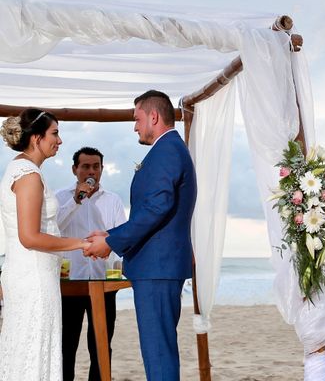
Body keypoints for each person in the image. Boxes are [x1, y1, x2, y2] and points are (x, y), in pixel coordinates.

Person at [85, 90, 197, 381]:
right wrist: (110, 233)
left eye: (137, 119)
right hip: (158, 267)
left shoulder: (167, 151)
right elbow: (153, 211)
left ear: (154, 116)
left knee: (158, 354)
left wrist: (110, 242)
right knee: (158, 350)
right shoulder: (170, 150)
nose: (134, 126)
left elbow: (158, 207)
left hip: (157, 268)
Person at [0, 109, 90, 380]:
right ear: (36, 138)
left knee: (28, 349)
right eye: (55, 133)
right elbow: (29, 237)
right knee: (35, 350)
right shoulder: (28, 175)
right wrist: (80, 243)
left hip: (29, 275)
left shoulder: (20, 168)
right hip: (34, 281)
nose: (60, 141)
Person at [56, 147, 126, 381]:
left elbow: (122, 240)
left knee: (100, 347)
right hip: (70, 285)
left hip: (103, 285)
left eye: (96, 166)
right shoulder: (60, 198)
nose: (91, 171)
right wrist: (76, 200)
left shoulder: (113, 200)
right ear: (75, 169)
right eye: (85, 166)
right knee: (66, 348)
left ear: (102, 170)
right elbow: (55, 231)